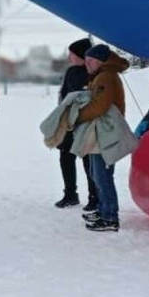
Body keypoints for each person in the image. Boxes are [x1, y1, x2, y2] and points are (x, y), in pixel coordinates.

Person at [76, 44, 129, 232]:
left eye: (90, 61)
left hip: (105, 133)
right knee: (96, 173)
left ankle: (109, 217)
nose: (87, 65)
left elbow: (100, 106)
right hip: (100, 131)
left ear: (99, 61)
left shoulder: (106, 77)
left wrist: (78, 115)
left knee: (102, 175)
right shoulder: (101, 75)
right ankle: (102, 209)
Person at [54, 38, 97, 210]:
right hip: (70, 123)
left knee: (86, 160)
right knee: (67, 157)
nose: (69, 57)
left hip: (82, 123)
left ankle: (92, 196)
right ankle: (72, 194)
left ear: (81, 55)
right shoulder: (75, 71)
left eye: (72, 54)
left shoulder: (88, 73)